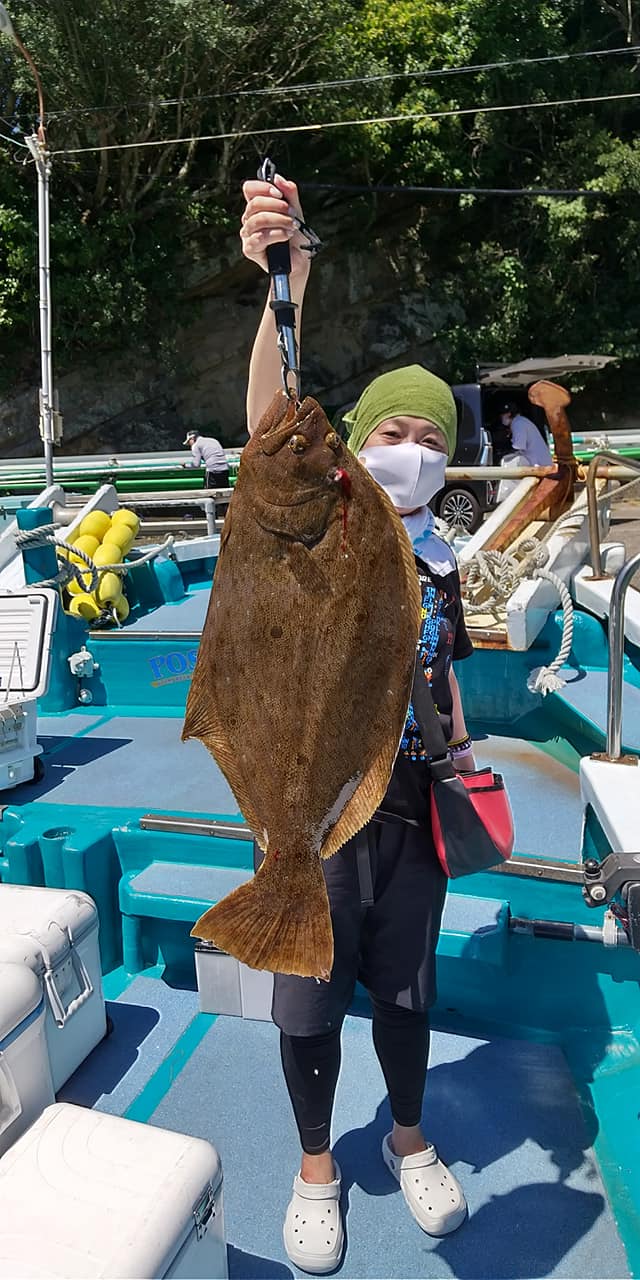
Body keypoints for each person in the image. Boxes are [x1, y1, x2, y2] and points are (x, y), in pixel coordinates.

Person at [240, 171, 475, 1274]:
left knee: (407, 987)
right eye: (393, 425)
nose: (414, 446)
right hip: (320, 807)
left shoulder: (439, 557)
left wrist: (465, 760)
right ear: (358, 443)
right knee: (305, 998)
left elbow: (444, 670)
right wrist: (284, 285)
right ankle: (314, 1165)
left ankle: (411, 1133)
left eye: (432, 433)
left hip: (415, 804)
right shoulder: (329, 516)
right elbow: (269, 428)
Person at [499, 401, 553, 468]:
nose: (501, 417)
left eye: (502, 415)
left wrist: (501, 454)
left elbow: (518, 446)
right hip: (538, 462)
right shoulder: (520, 421)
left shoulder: (518, 423)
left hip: (540, 465)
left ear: (509, 414)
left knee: (509, 461)